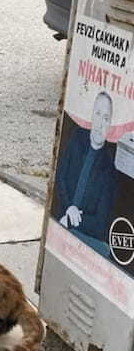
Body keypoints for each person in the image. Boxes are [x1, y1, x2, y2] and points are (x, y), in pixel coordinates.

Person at [54, 90, 117, 246]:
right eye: (98, 113)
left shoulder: (109, 169)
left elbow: (100, 224)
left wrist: (70, 221)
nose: (100, 123)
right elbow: (60, 175)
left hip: (81, 238)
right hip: (57, 219)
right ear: (91, 115)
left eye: (106, 118)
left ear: (110, 124)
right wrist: (68, 207)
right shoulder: (77, 137)